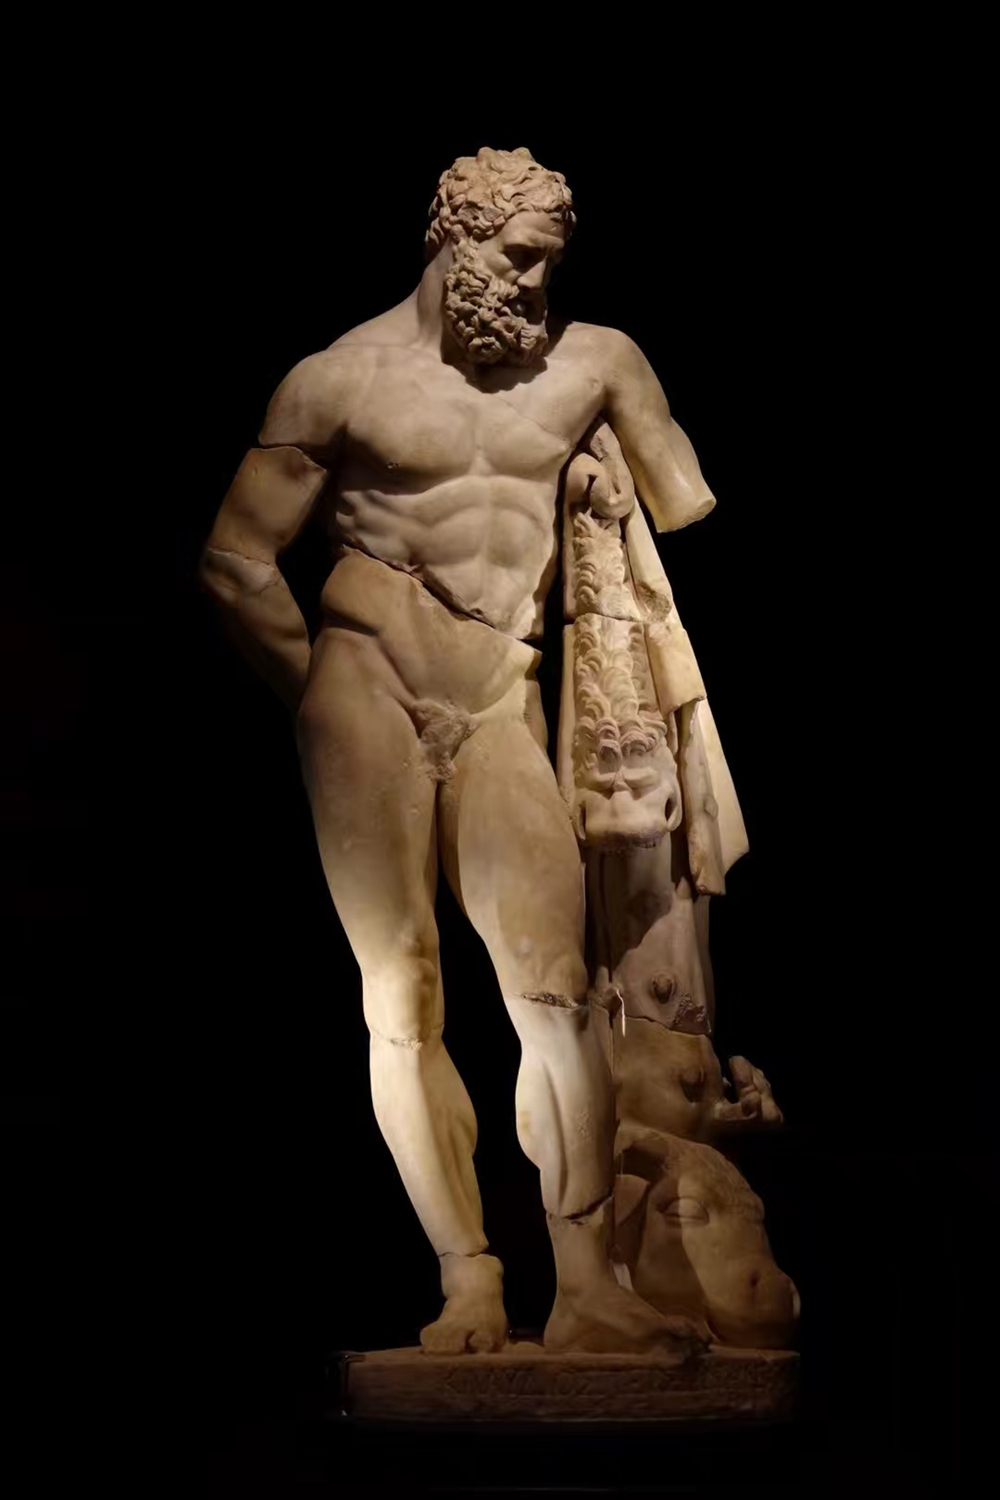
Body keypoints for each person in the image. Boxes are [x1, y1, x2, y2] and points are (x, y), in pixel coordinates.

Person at [201, 147, 717, 1355]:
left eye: (552, 265)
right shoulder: (338, 380)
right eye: (520, 258)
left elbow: (681, 497)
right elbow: (234, 561)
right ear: (454, 241)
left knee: (556, 988)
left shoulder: (594, 361)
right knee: (403, 990)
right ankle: (468, 1277)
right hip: (366, 685)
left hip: (498, 692)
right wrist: (323, 698)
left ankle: (584, 1286)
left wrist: (613, 443)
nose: (536, 286)